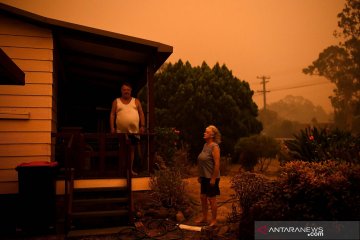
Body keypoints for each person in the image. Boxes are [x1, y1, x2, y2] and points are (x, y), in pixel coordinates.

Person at [110, 82, 145, 176]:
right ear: (121, 91)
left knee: (132, 150)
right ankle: (122, 170)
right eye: (124, 89)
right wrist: (112, 127)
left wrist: (142, 126)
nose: (126, 91)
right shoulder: (116, 101)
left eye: (128, 90)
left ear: (131, 91)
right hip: (121, 132)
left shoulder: (136, 101)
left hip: (134, 132)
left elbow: (141, 113)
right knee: (122, 150)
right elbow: (112, 114)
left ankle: (129, 170)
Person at [196, 125, 221, 227]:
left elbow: (217, 164)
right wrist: (200, 176)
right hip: (204, 177)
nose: (204, 133)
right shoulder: (205, 145)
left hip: (212, 177)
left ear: (212, 135)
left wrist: (213, 178)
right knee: (203, 197)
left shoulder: (214, 147)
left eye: (206, 132)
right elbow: (202, 161)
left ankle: (214, 220)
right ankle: (205, 218)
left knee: (211, 199)